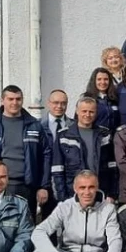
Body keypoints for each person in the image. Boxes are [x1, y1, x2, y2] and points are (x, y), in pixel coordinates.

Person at [0, 85, 50, 218]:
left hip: (26, 187)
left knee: (25, 229)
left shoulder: (34, 125)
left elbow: (46, 156)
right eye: (10, 99)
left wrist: (43, 186)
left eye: (18, 99)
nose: (14, 103)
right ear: (2, 100)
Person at [51, 97, 118, 202]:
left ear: (96, 113)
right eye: (84, 111)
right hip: (72, 194)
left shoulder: (105, 134)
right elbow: (57, 170)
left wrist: (112, 194)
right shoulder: (63, 135)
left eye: (91, 112)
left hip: (100, 193)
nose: (87, 114)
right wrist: (62, 198)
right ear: (77, 111)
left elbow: (112, 166)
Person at [39, 89, 72, 220]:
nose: (59, 106)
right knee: (48, 222)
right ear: (48, 103)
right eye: (56, 103)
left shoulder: (74, 126)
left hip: (67, 183)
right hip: (46, 182)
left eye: (63, 103)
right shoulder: (38, 126)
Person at [83, 67, 120, 132]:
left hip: (113, 138)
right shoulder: (86, 98)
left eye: (106, 79)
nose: (103, 82)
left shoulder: (115, 98)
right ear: (94, 81)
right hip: (95, 138)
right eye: (99, 79)